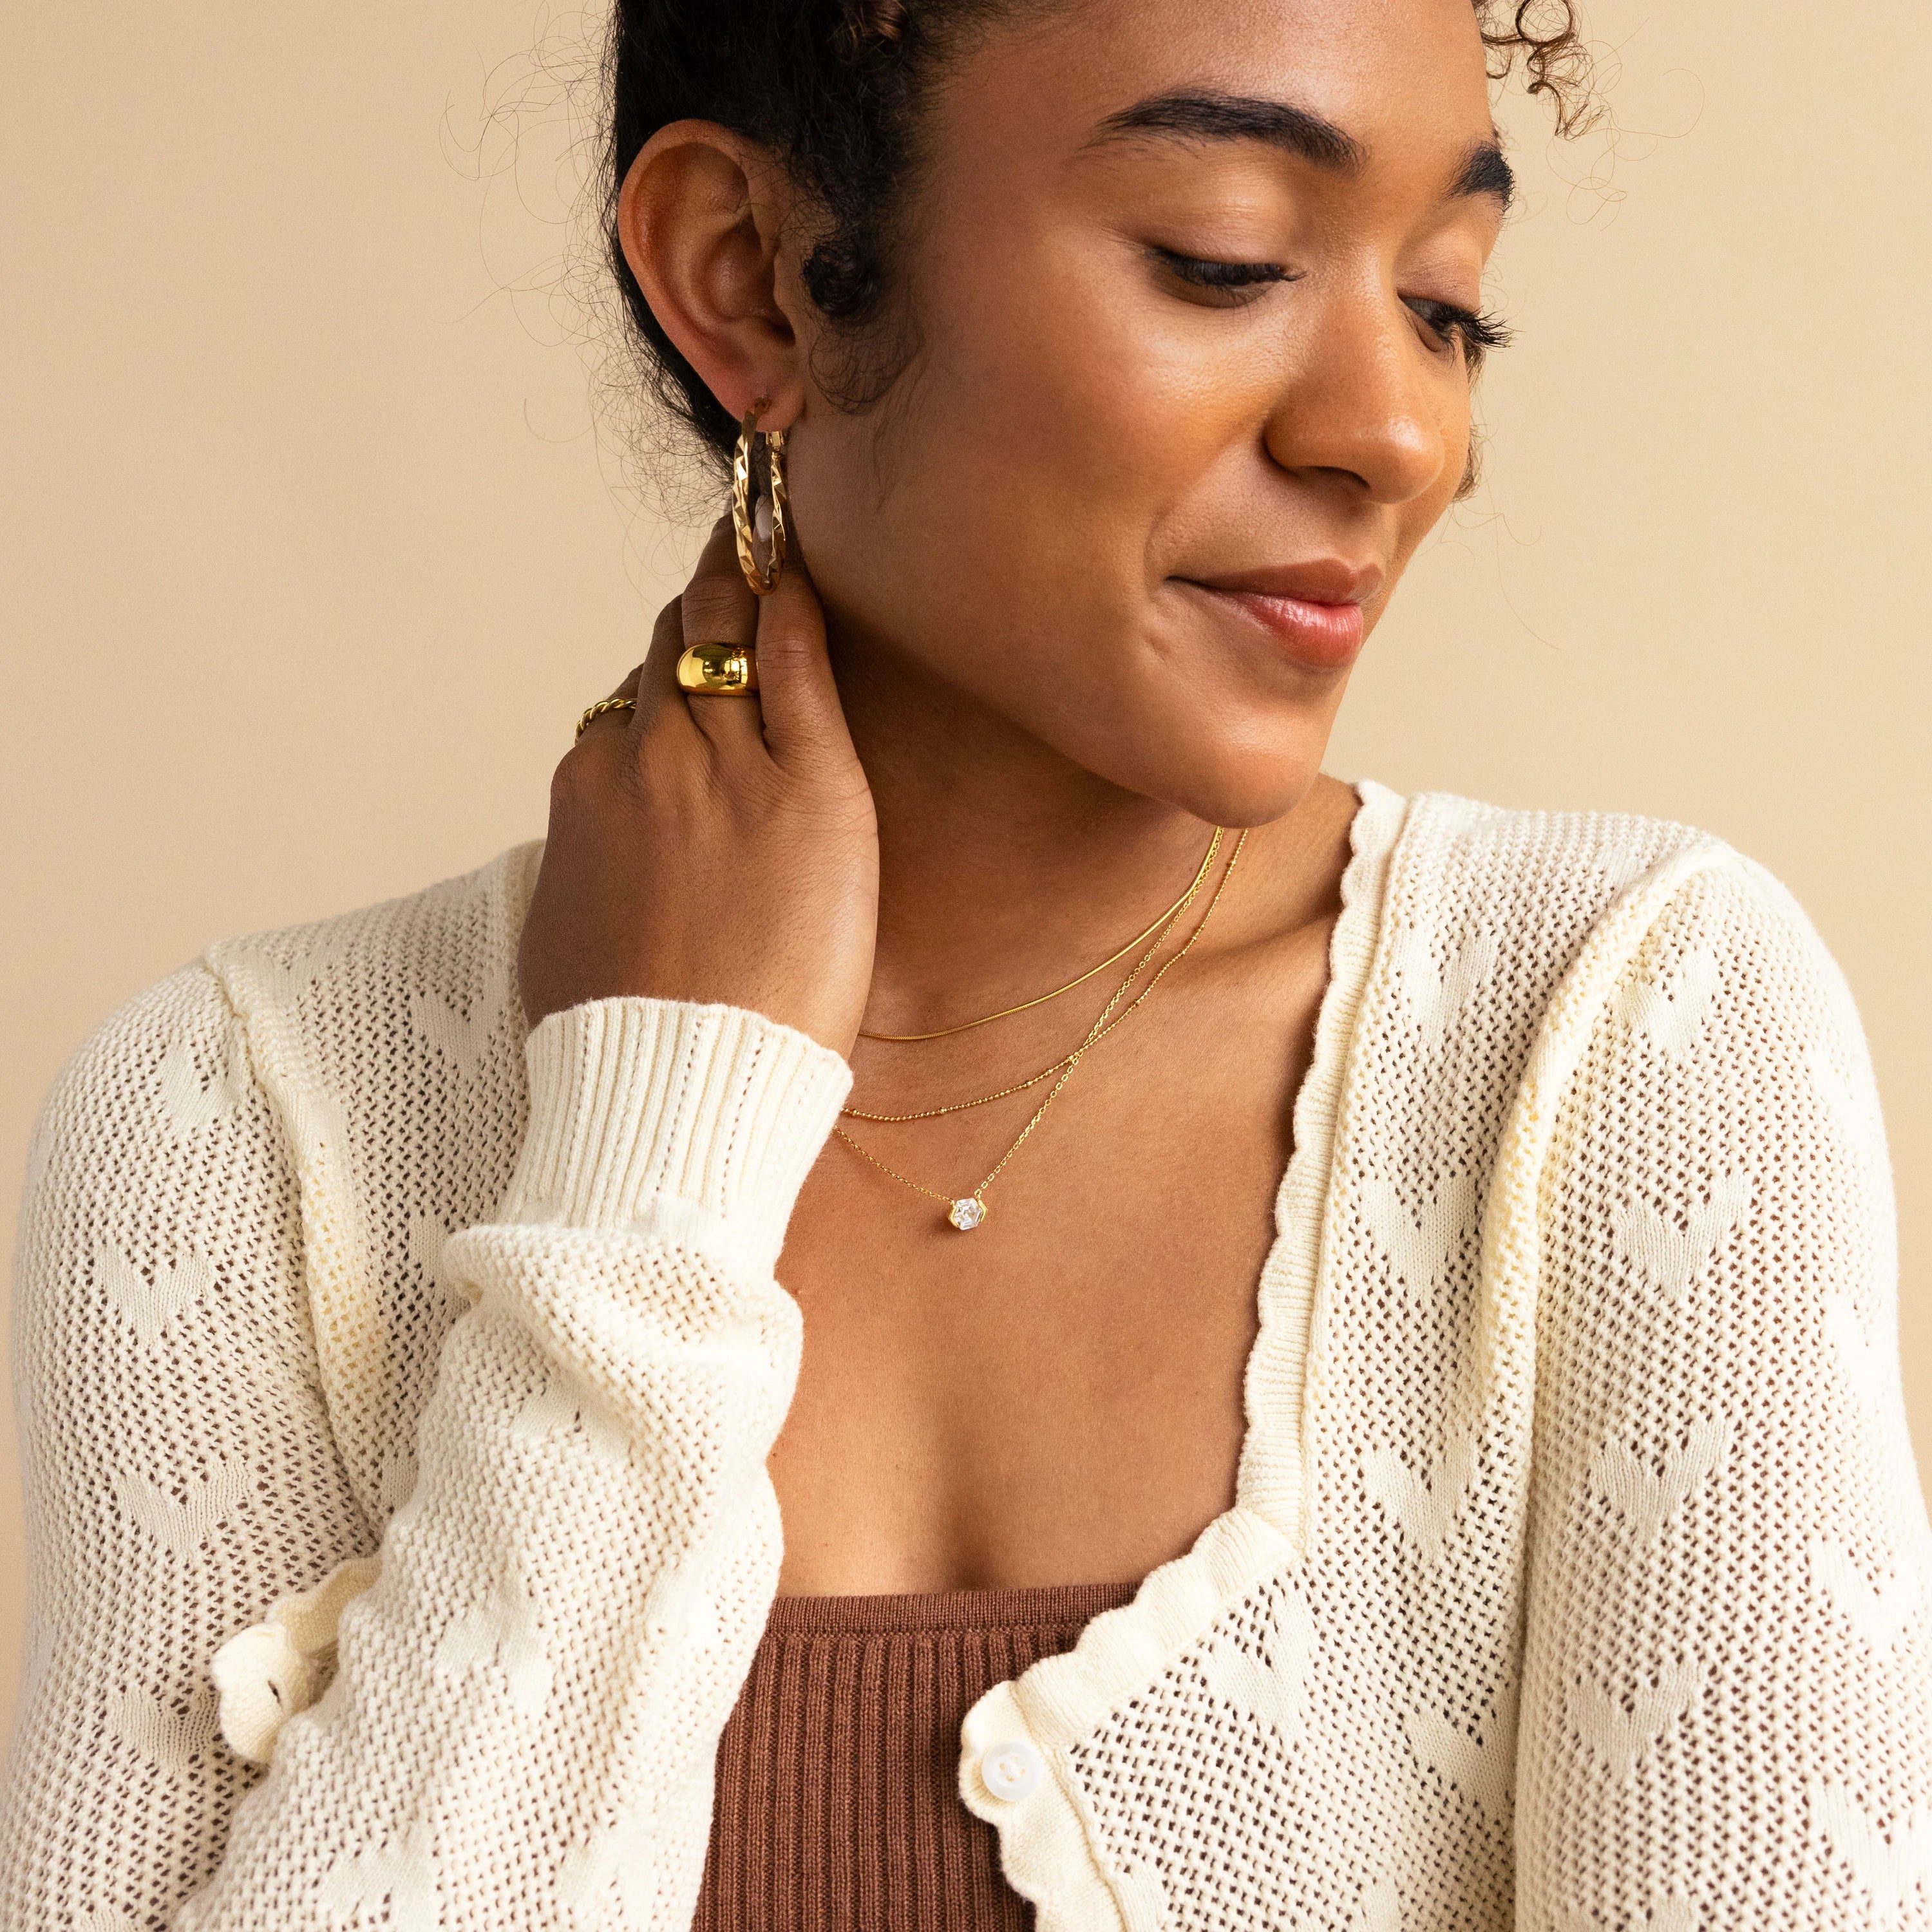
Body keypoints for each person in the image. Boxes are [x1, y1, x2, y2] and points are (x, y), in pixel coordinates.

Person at [6, 0, 1930, 1924]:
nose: (1401, 434)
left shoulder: (1617, 1035)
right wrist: (642, 1182)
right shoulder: (241, 1131)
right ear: (752, 281)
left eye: (1449, 303)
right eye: (1226, 259)